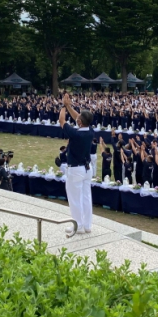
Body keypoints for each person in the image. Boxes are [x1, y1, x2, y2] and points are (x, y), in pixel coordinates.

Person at [59, 93, 93, 236]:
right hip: (87, 168)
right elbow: (77, 117)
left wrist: (62, 106)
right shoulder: (90, 131)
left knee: (74, 199)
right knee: (86, 197)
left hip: (76, 169)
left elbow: (62, 121)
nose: (77, 118)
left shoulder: (76, 134)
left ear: (80, 123)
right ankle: (87, 225)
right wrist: (68, 106)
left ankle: (77, 225)